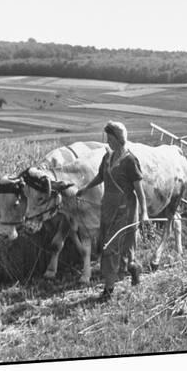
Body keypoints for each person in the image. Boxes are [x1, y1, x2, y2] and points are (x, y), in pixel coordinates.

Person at [76, 121, 150, 300]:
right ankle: (134, 268)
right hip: (107, 207)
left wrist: (144, 213)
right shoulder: (107, 158)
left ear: (119, 139)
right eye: (107, 138)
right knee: (114, 248)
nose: (108, 142)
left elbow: (139, 191)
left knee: (111, 248)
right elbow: (101, 176)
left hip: (125, 210)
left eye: (110, 138)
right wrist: (85, 188)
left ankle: (108, 289)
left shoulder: (130, 161)